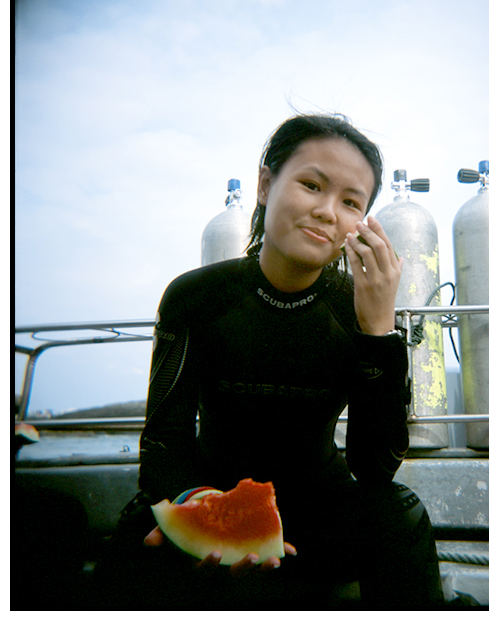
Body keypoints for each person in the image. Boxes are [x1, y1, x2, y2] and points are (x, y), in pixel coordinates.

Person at [95, 114, 444, 610]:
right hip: (206, 494)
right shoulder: (195, 296)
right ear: (265, 185)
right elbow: (162, 442)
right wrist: (197, 505)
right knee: (137, 530)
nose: (327, 211)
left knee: (398, 512)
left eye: (350, 202)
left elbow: (374, 466)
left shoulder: (358, 309)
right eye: (311, 185)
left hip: (319, 516)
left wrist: (378, 331)